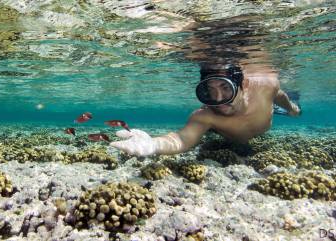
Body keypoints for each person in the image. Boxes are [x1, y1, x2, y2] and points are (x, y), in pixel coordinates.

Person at [109, 16, 301, 157]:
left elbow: (279, 94)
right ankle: (212, 130)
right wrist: (153, 144)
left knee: (276, 106)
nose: (218, 100)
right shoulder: (205, 115)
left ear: (245, 83)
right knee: (210, 127)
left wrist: (291, 108)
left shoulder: (266, 86)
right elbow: (181, 139)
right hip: (225, 135)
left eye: (226, 88)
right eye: (210, 90)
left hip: (267, 118)